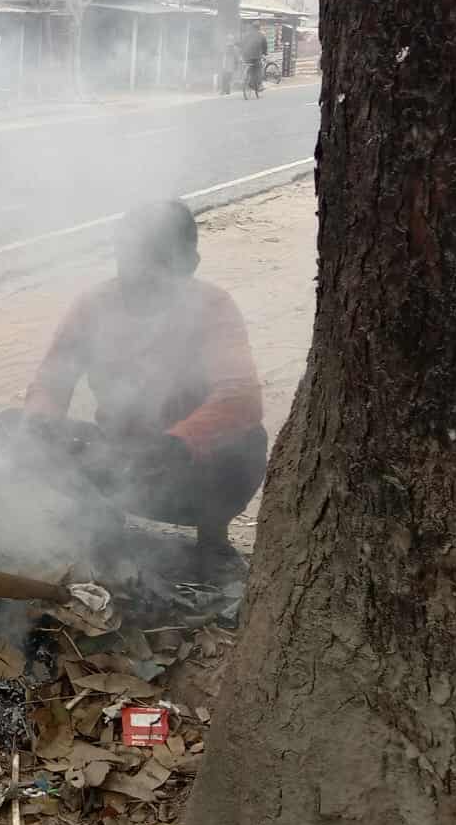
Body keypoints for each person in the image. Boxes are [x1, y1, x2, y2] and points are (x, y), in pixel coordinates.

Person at [14, 200, 267, 559]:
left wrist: (175, 444)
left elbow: (240, 399)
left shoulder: (213, 307)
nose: (141, 275)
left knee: (246, 443)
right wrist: (41, 420)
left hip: (185, 463)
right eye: (131, 258)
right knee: (14, 428)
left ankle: (212, 537)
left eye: (157, 262)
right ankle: (100, 514)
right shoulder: (94, 305)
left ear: (189, 264)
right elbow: (52, 380)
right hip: (119, 453)